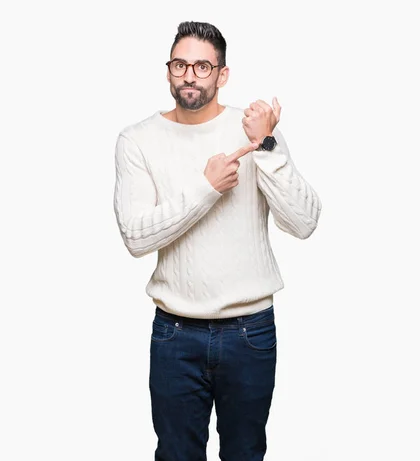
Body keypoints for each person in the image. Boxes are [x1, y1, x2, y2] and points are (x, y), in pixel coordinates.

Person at [112, 21, 321, 461]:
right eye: (180, 64)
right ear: (168, 71)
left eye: (202, 66)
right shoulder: (137, 140)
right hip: (175, 334)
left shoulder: (253, 130)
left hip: (250, 332)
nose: (190, 75)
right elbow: (135, 237)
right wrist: (206, 189)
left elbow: (303, 223)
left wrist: (266, 145)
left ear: (222, 75)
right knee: (176, 455)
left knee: (245, 454)